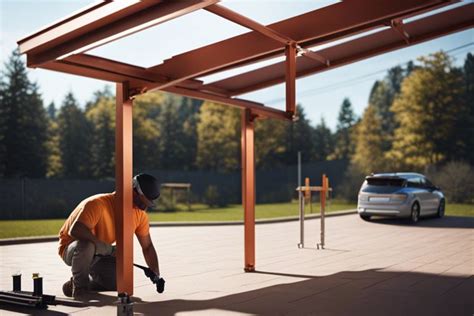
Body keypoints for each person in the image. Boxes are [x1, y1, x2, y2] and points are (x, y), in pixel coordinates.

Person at [58, 173, 163, 299]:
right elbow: (76, 230)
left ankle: (78, 283)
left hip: (100, 252)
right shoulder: (98, 204)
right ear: (132, 191)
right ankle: (80, 288)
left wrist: (156, 274)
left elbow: (147, 247)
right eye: (141, 203)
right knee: (88, 245)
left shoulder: (139, 215)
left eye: (147, 205)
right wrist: (107, 248)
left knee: (117, 282)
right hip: (72, 247)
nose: (144, 208)